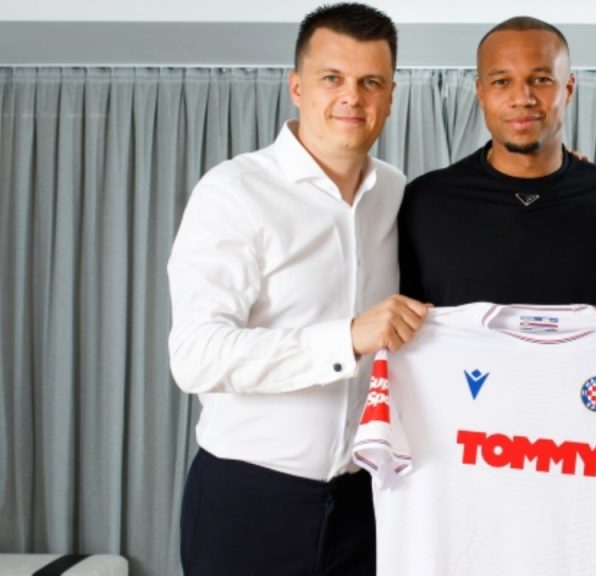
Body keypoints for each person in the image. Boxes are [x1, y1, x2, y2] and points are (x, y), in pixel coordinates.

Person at [166, 4, 428, 575]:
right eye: (332, 78)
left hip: (366, 506)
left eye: (371, 82)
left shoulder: (399, 193)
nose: (352, 97)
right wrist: (347, 337)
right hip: (247, 502)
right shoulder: (233, 192)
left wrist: (558, 175)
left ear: (390, 95)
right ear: (297, 87)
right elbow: (195, 356)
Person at [398, 16, 596, 309]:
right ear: (481, 93)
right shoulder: (425, 201)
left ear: (568, 89)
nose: (522, 98)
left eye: (541, 80)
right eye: (501, 82)